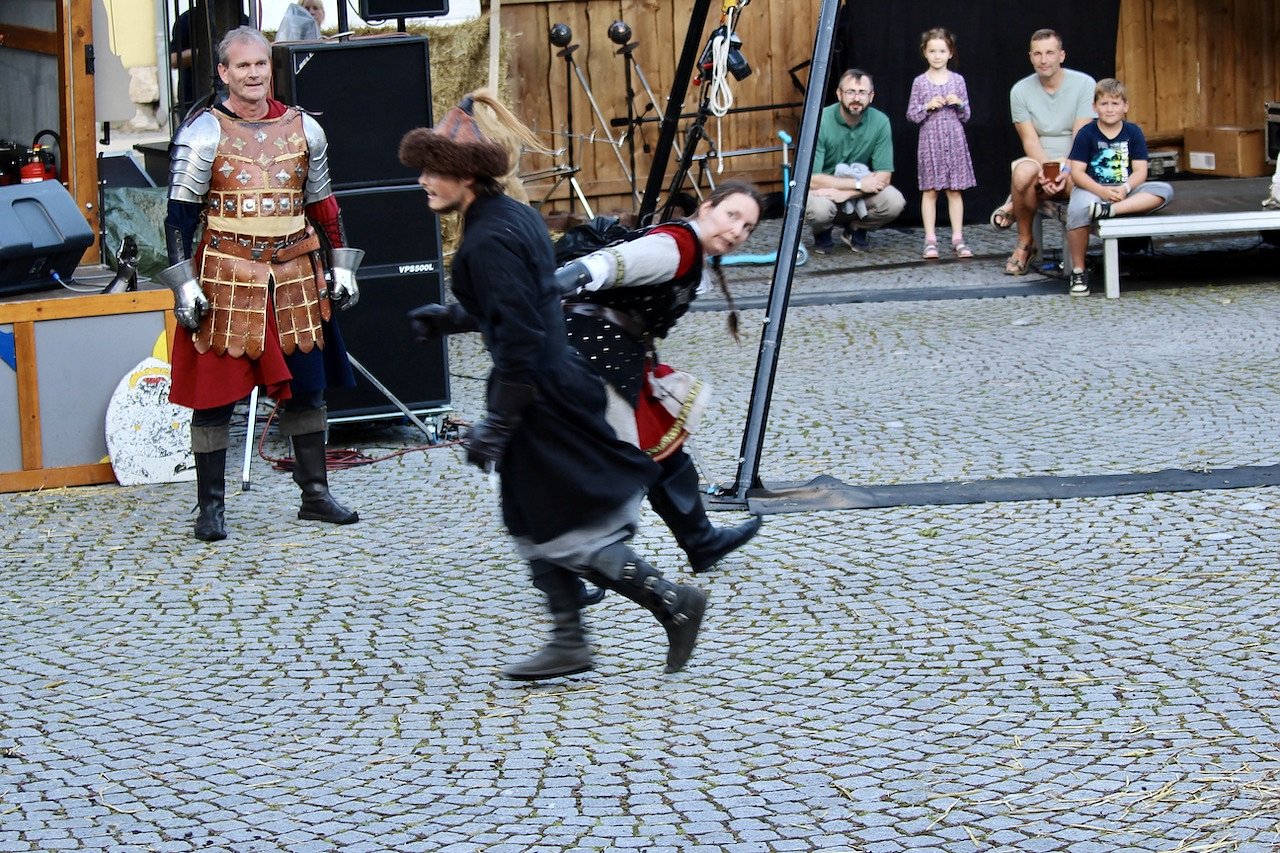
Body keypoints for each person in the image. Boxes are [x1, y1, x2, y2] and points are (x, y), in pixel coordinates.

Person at [399, 94, 708, 681]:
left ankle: (673, 603)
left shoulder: (489, 238)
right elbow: (524, 302)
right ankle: (570, 640)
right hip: (546, 384)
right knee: (531, 520)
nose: (424, 181)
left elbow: (520, 335)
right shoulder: (509, 216)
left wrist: (500, 423)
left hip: (540, 395)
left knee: (567, 530)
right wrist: (451, 318)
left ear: (468, 173)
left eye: (435, 169)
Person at [159, 26, 362, 542]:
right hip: (226, 275)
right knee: (213, 399)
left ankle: (314, 495)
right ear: (224, 72)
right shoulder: (203, 133)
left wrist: (342, 266)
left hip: (295, 274)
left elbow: (324, 205)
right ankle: (210, 507)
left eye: (261, 64)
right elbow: (178, 218)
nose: (253, 74)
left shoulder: (305, 129)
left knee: (308, 390)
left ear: (271, 67)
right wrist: (185, 285)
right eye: (243, 66)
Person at [553, 181, 766, 576]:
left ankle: (701, 541)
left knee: (665, 449)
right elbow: (611, 263)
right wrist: (551, 286)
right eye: (732, 215)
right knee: (596, 466)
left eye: (748, 227)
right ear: (707, 208)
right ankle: (562, 572)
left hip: (616, 353)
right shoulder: (677, 246)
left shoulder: (692, 251)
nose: (738, 230)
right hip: (591, 354)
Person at [994, 28, 1096, 276]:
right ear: (1030, 57)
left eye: (1050, 53)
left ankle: (1014, 204)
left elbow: (1081, 137)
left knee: (1060, 183)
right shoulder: (1020, 90)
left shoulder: (1085, 84)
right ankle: (1025, 243)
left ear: (1062, 55)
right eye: (1037, 54)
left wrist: (1064, 169)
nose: (1043, 59)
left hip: (1076, 161)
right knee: (1022, 175)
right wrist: (1048, 172)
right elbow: (1029, 140)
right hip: (1039, 161)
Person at [1064, 78, 1173, 296]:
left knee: (1164, 190)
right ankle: (1078, 270)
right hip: (1092, 188)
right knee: (1077, 210)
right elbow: (1077, 172)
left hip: (1124, 190)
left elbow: (1140, 171)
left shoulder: (1133, 132)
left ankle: (1110, 210)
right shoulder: (1086, 133)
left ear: (1125, 106)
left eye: (1115, 103)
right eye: (1104, 104)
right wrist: (1102, 191)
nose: (1110, 109)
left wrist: (1124, 188)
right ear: (1095, 107)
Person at [806, 68, 906, 254]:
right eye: (850, 92)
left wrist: (849, 193)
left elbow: (884, 177)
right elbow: (811, 179)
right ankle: (822, 231)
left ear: (871, 96)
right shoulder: (819, 120)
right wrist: (859, 184)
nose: (856, 98)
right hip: (823, 192)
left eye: (862, 93)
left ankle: (856, 228)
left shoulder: (880, 122)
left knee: (894, 201)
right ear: (839, 94)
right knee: (819, 210)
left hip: (858, 194)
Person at [905, 27, 976, 261]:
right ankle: (930, 239)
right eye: (932, 51)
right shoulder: (919, 82)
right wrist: (927, 106)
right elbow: (911, 114)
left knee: (954, 190)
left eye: (942, 51)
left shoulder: (958, 80)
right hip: (930, 141)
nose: (937, 56)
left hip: (954, 140)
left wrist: (959, 104)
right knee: (930, 191)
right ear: (925, 53)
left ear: (950, 53)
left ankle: (958, 238)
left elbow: (966, 116)